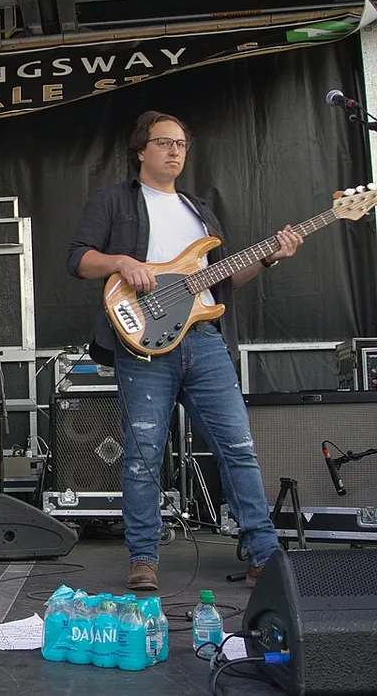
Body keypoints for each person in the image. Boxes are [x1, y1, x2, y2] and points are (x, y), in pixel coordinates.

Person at [67, 111, 302, 590]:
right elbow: (79, 259)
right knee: (142, 454)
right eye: (164, 143)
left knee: (238, 448)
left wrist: (270, 255)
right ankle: (143, 557)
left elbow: (228, 276)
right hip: (145, 346)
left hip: (204, 341)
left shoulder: (201, 210)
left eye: (181, 144)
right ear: (141, 151)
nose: (175, 151)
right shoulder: (115, 201)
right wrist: (123, 262)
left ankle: (265, 554)